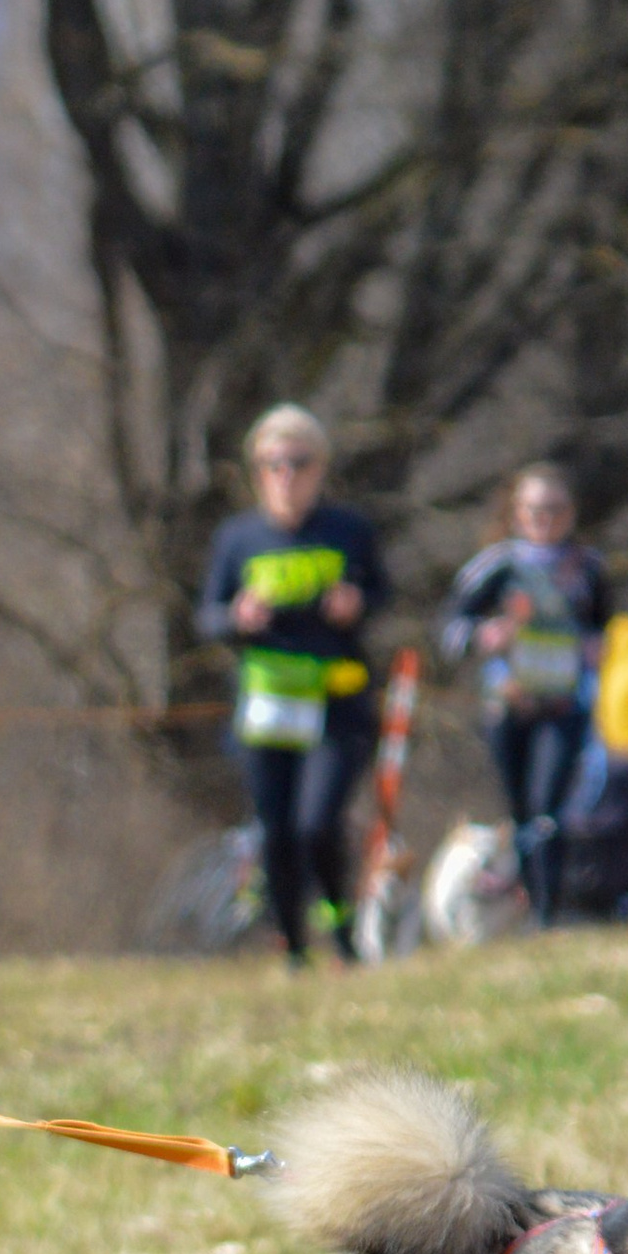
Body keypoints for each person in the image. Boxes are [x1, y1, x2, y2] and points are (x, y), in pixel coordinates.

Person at [197, 405, 390, 967]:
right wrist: (237, 616)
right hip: (266, 705)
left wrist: (357, 604)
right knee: (276, 831)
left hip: (336, 703)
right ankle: (294, 948)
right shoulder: (238, 538)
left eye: (298, 462)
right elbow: (206, 616)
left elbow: (383, 593)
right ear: (257, 471)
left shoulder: (348, 530)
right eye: (272, 464)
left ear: (320, 468)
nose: (285, 474)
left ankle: (342, 925)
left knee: (317, 824)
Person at [440, 467, 611, 928]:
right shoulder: (495, 566)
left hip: (564, 705)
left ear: (571, 514)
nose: (545, 519)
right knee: (519, 810)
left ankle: (546, 913)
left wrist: (598, 646)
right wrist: (484, 635)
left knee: (548, 804)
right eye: (536, 510)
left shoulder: (588, 568)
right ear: (517, 513)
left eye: (555, 510)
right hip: (508, 705)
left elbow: (610, 628)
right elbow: (450, 630)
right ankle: (528, 901)